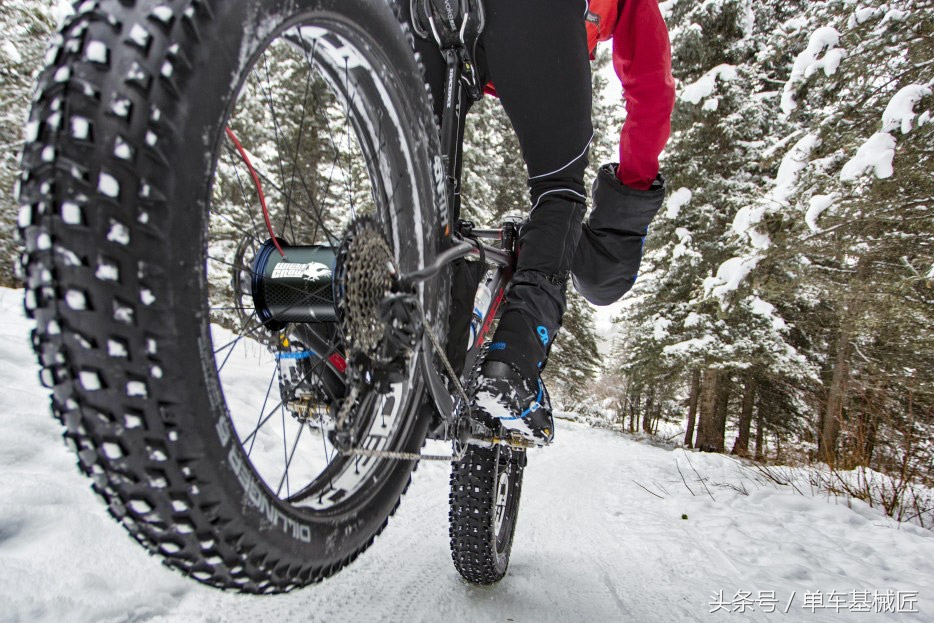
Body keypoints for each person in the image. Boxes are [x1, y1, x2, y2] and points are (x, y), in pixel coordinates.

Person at [405, 0, 675, 442]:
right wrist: (629, 194)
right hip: (530, 15)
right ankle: (512, 362)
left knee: (415, 185)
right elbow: (651, 88)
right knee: (558, 189)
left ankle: (367, 344)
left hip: (424, 13)